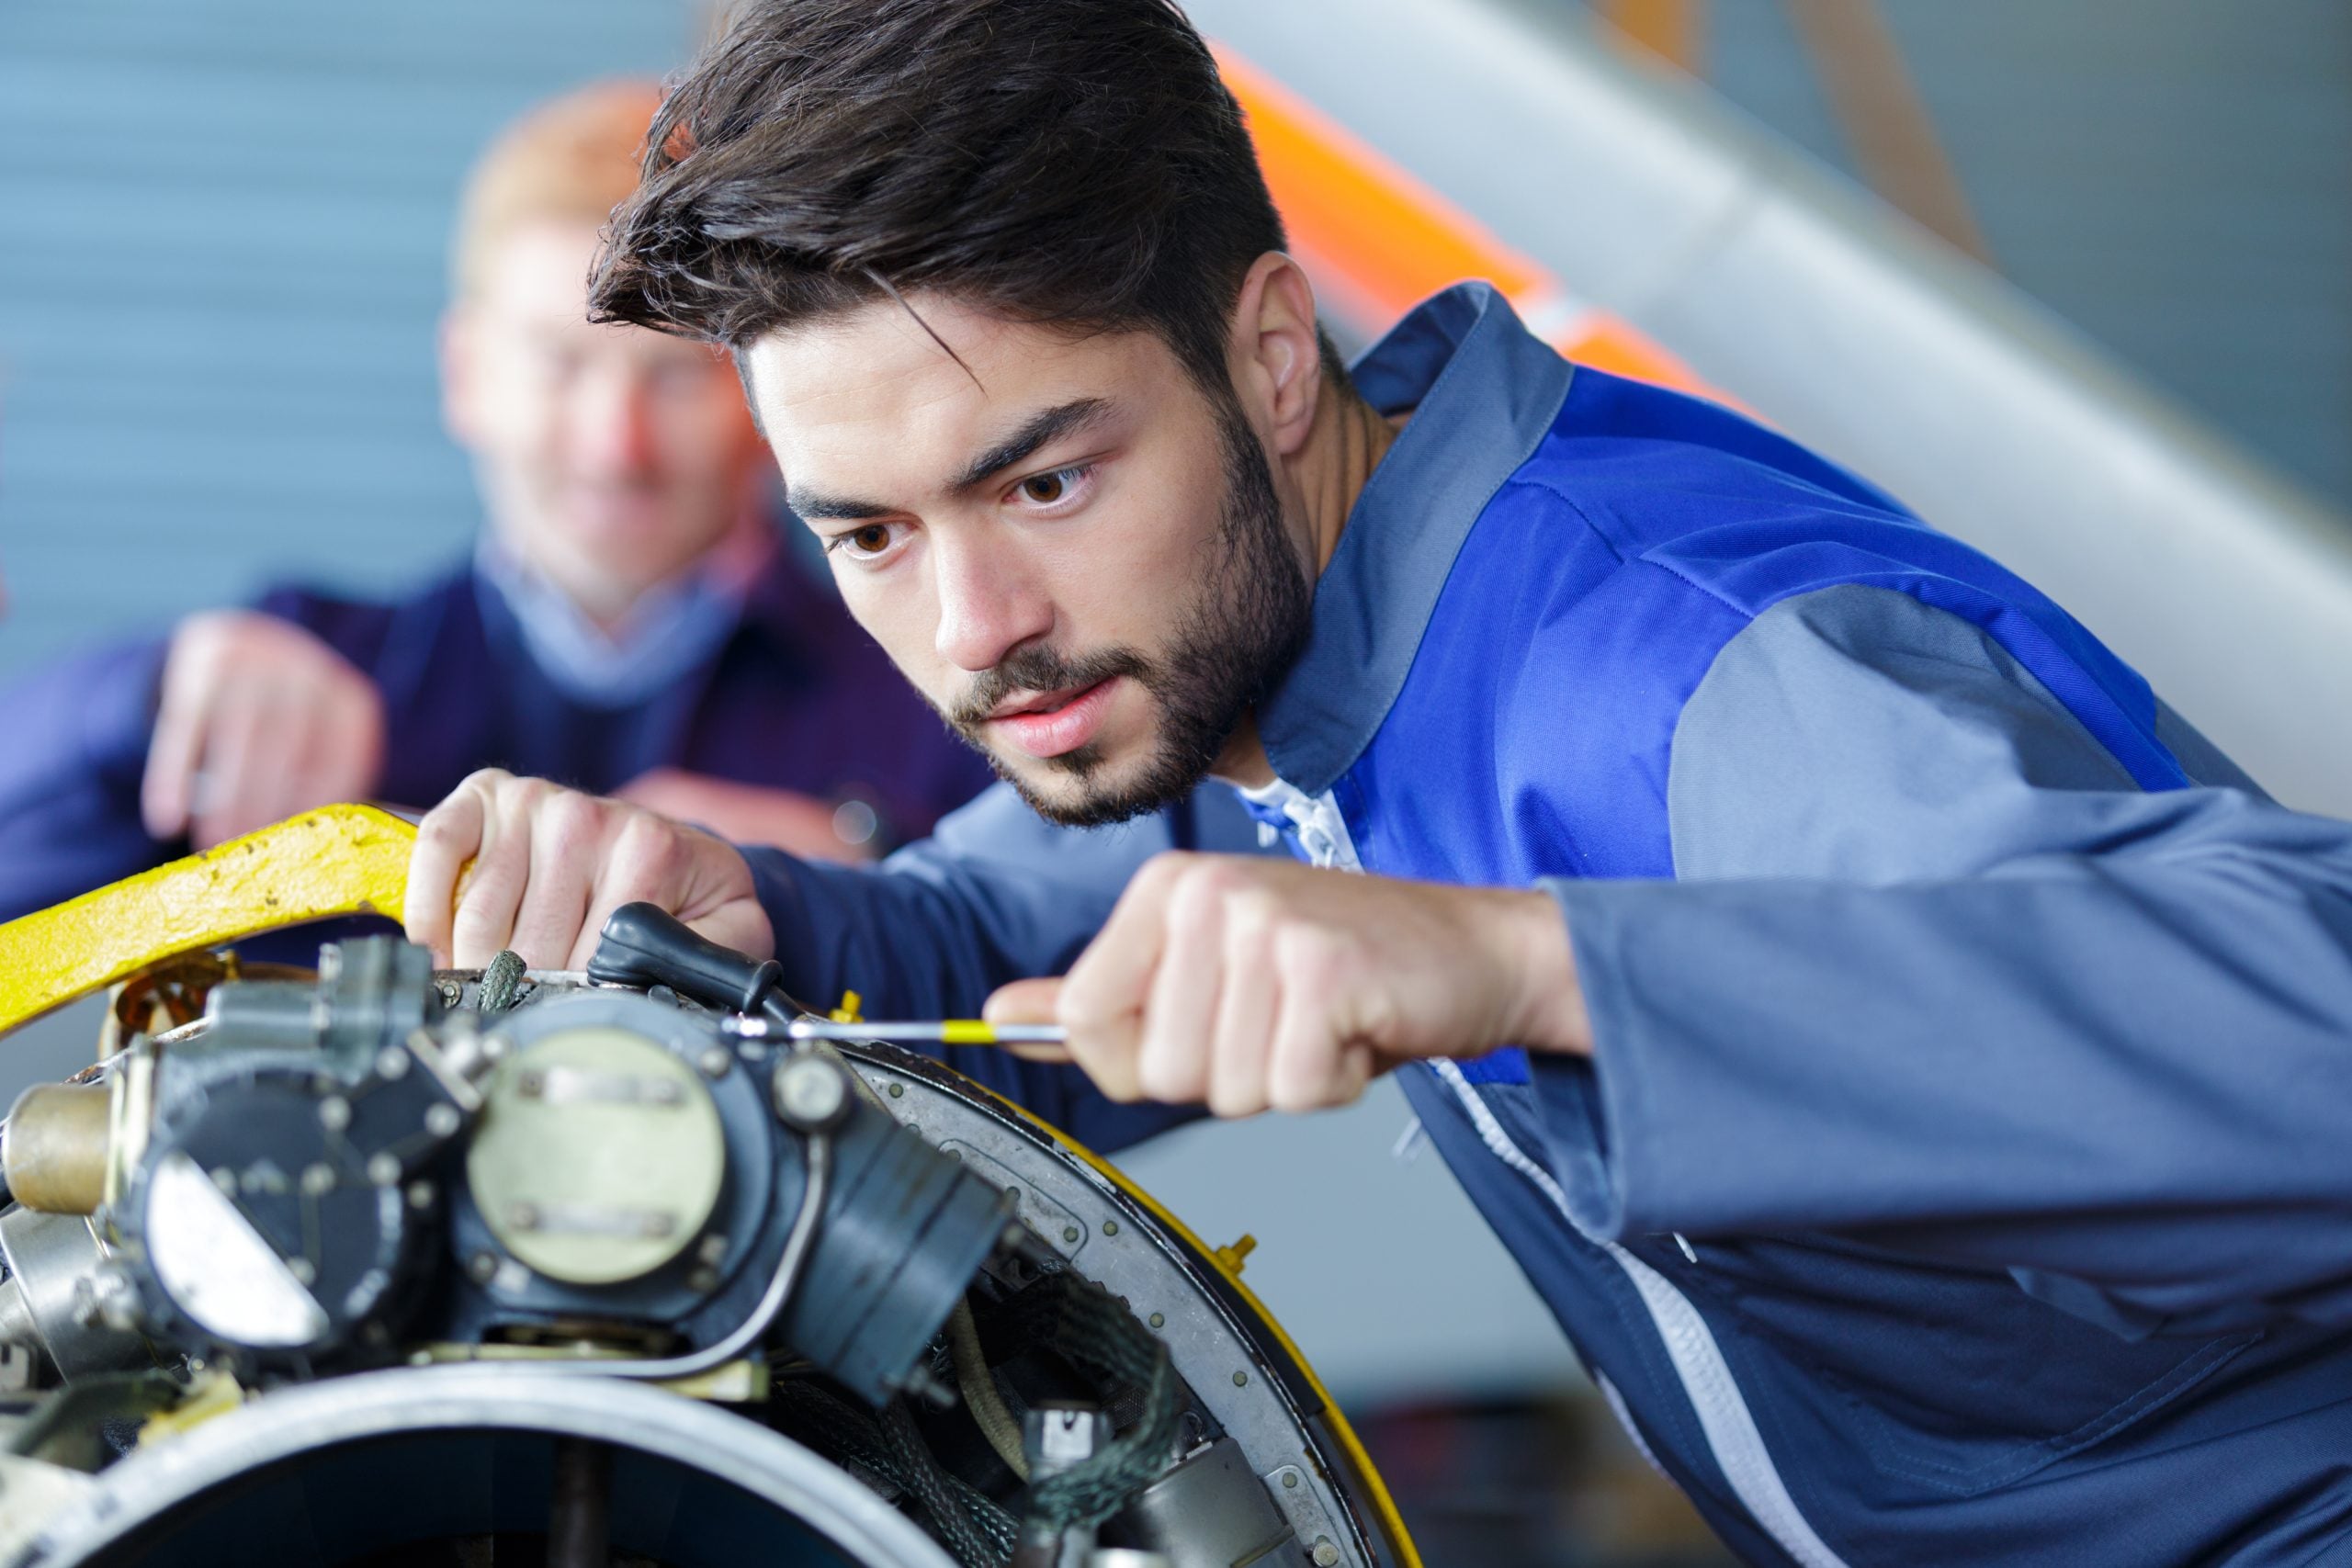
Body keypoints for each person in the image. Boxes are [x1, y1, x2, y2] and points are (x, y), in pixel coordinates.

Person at [401, 4, 2352, 1563]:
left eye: (1044, 478)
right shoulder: (1257, 660)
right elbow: (983, 947)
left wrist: (1516, 962)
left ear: (1264, 356)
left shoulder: (1672, 667)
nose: (979, 626)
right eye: (872, 534)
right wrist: (751, 908)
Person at [0, 80, 991, 922]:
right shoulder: (298, 668)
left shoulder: (935, 686)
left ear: (776, 394)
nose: (616, 449)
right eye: (559, 366)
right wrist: (142, 700)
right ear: (465, 374)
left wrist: (873, 874)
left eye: (676, 374)